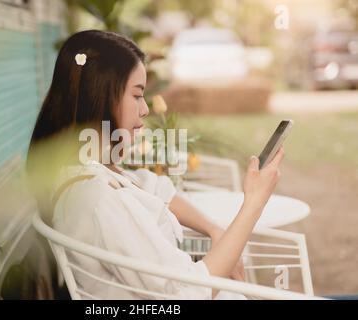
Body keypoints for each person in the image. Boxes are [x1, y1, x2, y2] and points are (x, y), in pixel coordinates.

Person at [27, 30, 285, 299]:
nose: (146, 109)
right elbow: (189, 292)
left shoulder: (86, 171)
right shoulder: (100, 200)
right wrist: (254, 202)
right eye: (137, 95)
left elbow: (155, 188)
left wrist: (214, 229)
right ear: (102, 96)